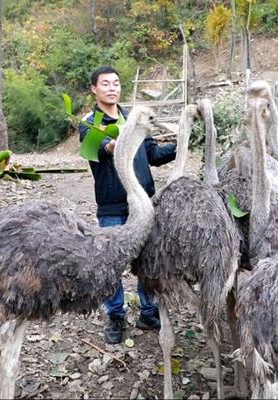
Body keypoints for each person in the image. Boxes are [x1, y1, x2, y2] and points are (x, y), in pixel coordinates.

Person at [79, 66, 176, 344]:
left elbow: (153, 155)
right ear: (94, 89)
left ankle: (148, 311)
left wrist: (181, 143)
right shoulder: (89, 123)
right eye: (105, 84)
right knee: (112, 262)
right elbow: (100, 150)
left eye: (116, 83)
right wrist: (118, 141)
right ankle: (116, 316)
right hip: (112, 205)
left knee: (146, 258)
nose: (112, 88)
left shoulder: (132, 119)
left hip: (143, 203)